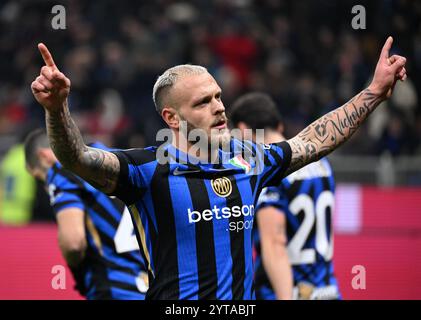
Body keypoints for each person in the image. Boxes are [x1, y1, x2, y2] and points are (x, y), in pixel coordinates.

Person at [30, 37, 406, 299]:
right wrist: (56, 109)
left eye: (219, 96)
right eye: (204, 102)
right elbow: (77, 157)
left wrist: (373, 92)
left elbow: (313, 140)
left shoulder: (249, 160)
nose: (220, 107)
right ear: (172, 118)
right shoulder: (146, 170)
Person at [230, 92, 340, 300]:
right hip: (327, 290)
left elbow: (275, 245)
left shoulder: (266, 174)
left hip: (288, 292)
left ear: (242, 130)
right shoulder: (322, 164)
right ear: (279, 126)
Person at [24, 129, 148, 299]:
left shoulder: (62, 170)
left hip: (115, 289)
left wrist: (78, 272)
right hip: (157, 288)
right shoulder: (123, 160)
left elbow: (73, 243)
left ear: (45, 156)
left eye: (41, 180)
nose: (46, 188)